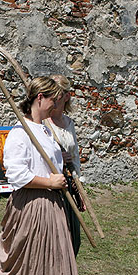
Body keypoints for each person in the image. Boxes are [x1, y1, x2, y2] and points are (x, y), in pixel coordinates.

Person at [0, 76, 89, 275]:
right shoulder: (20, 133)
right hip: (33, 205)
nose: (57, 104)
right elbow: (15, 174)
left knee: (54, 266)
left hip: (52, 204)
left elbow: (55, 162)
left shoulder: (45, 130)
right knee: (37, 266)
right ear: (39, 98)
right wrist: (49, 182)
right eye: (54, 99)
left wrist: (64, 166)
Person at [45, 74, 82, 256]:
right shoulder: (43, 123)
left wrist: (79, 185)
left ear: (66, 96)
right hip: (49, 184)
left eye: (57, 93)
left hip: (67, 182)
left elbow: (74, 156)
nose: (53, 98)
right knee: (52, 238)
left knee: (73, 237)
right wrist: (58, 156)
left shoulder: (68, 123)